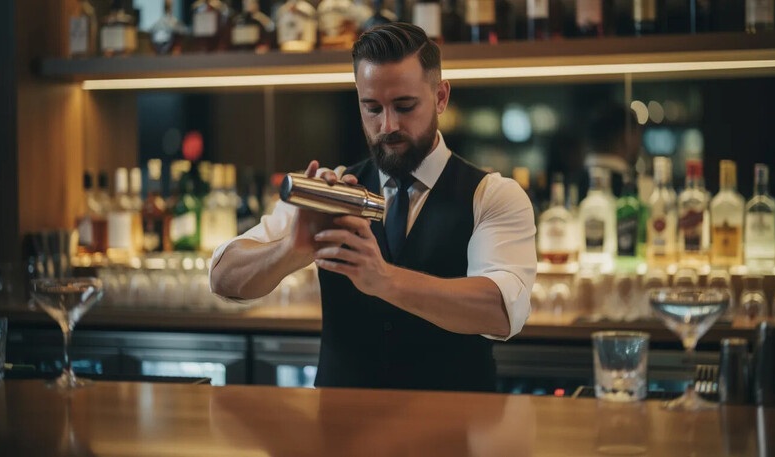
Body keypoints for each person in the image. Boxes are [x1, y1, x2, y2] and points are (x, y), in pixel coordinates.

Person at [209, 23, 536, 392]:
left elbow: (501, 311)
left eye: (404, 106)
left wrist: (385, 280)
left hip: (456, 422)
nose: (388, 125)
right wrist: (292, 249)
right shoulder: (330, 188)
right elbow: (223, 278)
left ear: (441, 97)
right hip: (340, 422)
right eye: (372, 108)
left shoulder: (492, 195)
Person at [577, 102, 642, 199]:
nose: (640, 143)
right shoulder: (627, 189)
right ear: (627, 137)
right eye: (637, 134)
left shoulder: (573, 184)